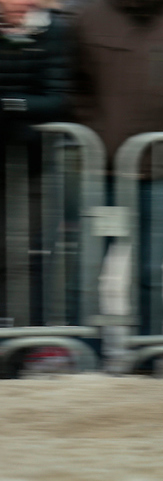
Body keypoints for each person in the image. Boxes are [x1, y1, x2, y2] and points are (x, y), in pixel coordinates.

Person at [70, 0, 163, 359]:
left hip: (161, 170)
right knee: (89, 266)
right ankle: (84, 351)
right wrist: (95, 131)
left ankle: (147, 352)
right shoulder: (89, 15)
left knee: (151, 270)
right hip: (103, 172)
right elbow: (73, 83)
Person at [1, 0, 71, 327]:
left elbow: (58, 99)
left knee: (25, 256)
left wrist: (11, 105)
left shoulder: (53, 31)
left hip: (32, 162)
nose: (21, 3)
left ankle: (23, 338)